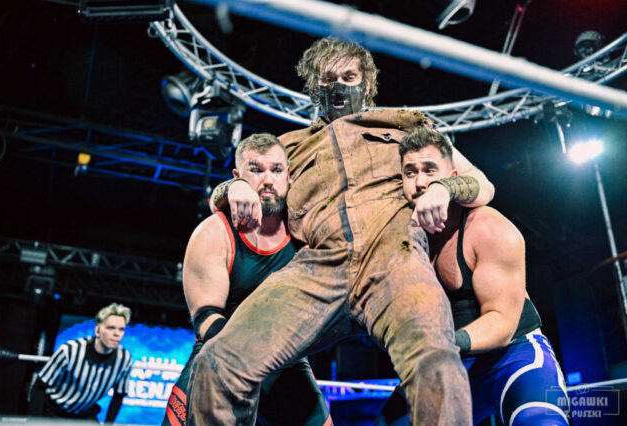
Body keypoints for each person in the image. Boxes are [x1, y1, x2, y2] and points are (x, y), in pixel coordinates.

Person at [189, 37, 496, 425]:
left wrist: (443, 188)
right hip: (318, 269)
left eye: (349, 77)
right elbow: (232, 191)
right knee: (218, 362)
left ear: (367, 84)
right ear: (313, 87)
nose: (338, 87)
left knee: (436, 361)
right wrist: (234, 187)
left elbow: (482, 183)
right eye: (327, 78)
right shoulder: (289, 149)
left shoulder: (404, 128)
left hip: (395, 260)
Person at [374, 127, 569, 425]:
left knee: (540, 421)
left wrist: (441, 344)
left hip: (513, 356)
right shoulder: (400, 239)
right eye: (410, 173)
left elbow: (502, 322)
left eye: (430, 170)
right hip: (449, 363)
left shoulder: (487, 228)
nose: (420, 181)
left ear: (452, 177)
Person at [164, 133, 331, 426]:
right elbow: (206, 318)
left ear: (290, 176)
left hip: (285, 362)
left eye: (276, 170)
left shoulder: (307, 232)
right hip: (220, 354)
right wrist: (253, 355)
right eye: (256, 170)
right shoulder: (214, 232)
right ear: (237, 177)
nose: (267, 180)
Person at [29, 303, 133, 424]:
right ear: (98, 330)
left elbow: (119, 395)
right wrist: (34, 421)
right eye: (111, 328)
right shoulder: (70, 350)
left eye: (121, 329)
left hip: (84, 413)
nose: (117, 333)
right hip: (54, 410)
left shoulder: (124, 359)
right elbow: (40, 385)